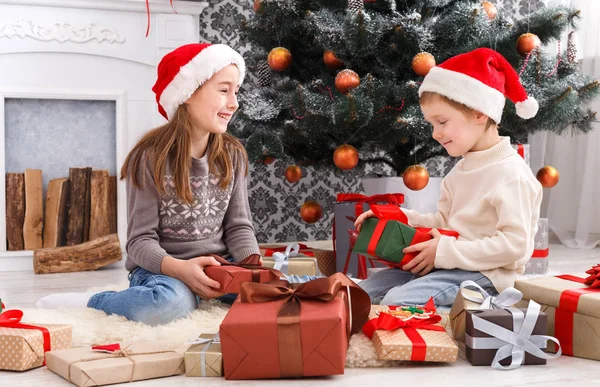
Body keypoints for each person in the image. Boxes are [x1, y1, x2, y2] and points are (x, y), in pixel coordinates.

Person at [37, 43, 262, 325]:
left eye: (236, 91)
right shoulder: (150, 158)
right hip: (162, 271)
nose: (234, 103)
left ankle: (206, 294)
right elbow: (139, 242)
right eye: (224, 90)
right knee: (168, 305)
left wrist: (253, 268)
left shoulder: (233, 155)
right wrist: (180, 270)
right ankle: (94, 301)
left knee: (280, 292)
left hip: (220, 268)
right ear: (188, 93)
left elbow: (239, 227)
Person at [356, 48, 543, 306]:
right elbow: (443, 222)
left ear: (480, 113)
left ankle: (452, 320)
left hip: (486, 275)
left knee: (397, 301)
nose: (435, 134)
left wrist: (444, 252)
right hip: (448, 263)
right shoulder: (459, 173)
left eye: (442, 122)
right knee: (362, 293)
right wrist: (401, 217)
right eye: (432, 124)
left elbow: (515, 246)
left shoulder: (512, 175)